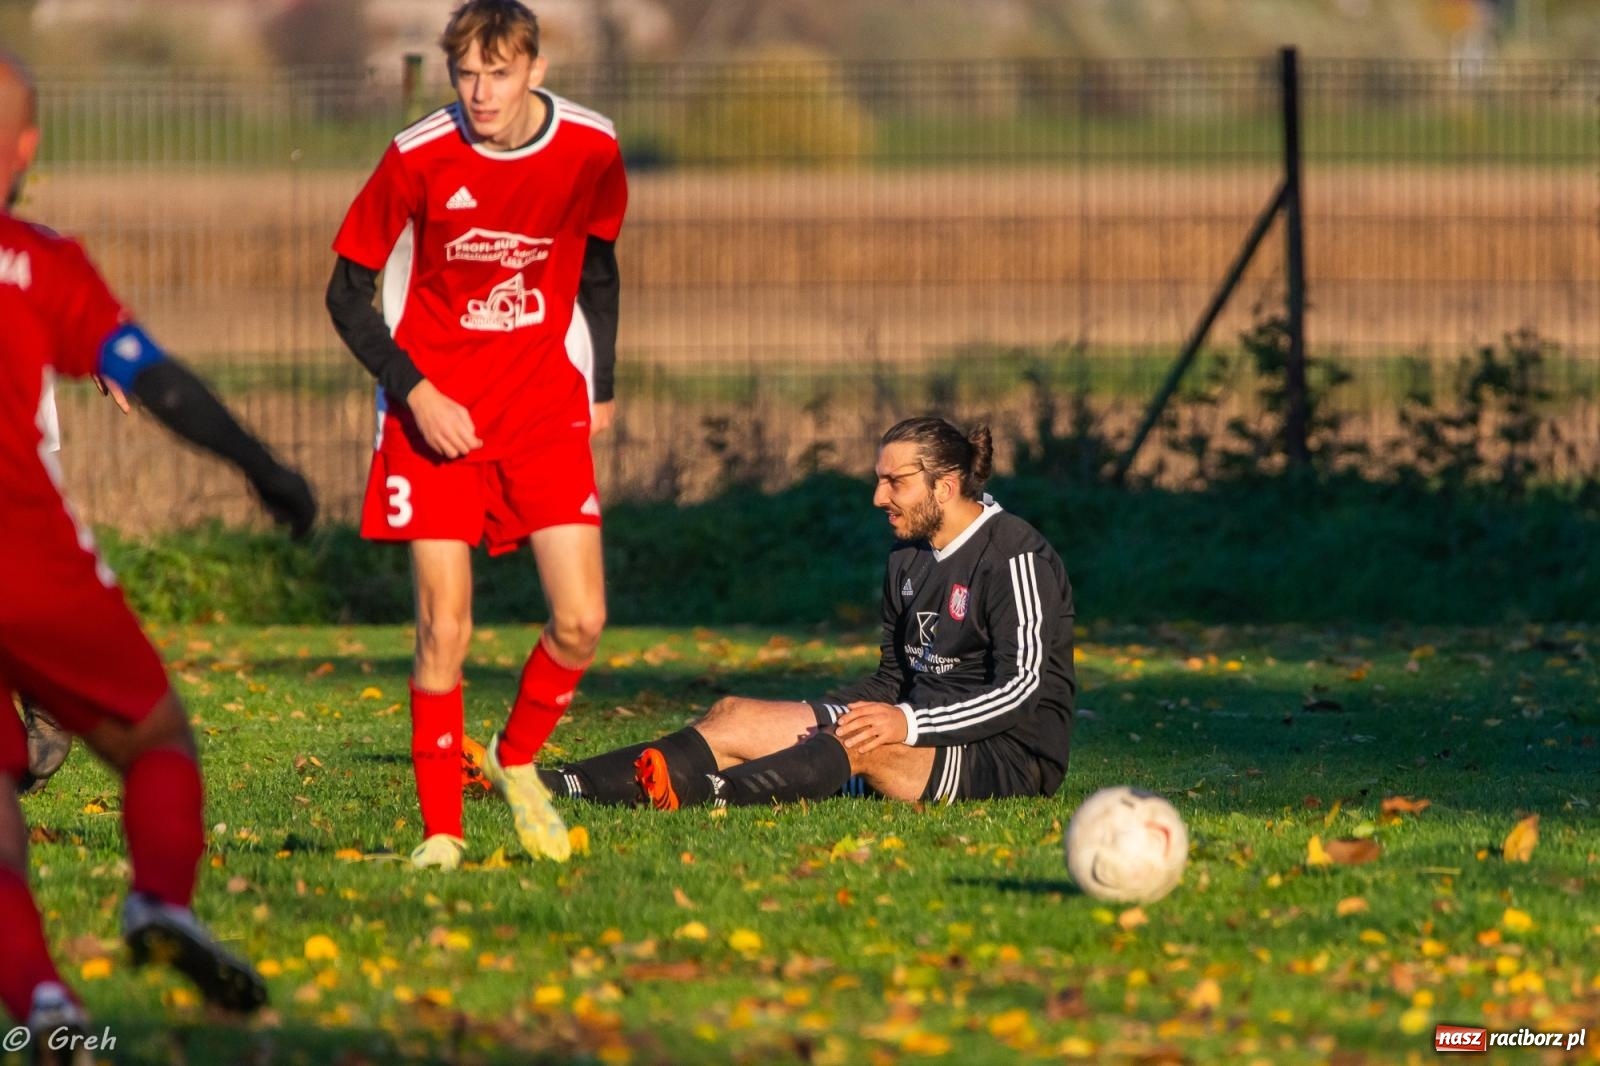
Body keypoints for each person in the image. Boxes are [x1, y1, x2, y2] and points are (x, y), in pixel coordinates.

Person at [0, 50, 316, 1053]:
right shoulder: (40, 260)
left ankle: (43, 1001)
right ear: (26, 149)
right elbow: (158, 379)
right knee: (159, 741)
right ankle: (160, 901)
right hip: (29, 558)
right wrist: (263, 466)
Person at [325, 0, 627, 871]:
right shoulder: (418, 156)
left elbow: (598, 268)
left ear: (534, 68)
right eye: (466, 74)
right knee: (444, 627)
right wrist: (416, 393)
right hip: (435, 418)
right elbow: (345, 293)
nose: (480, 92)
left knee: (582, 619)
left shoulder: (591, 148)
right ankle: (442, 834)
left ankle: (515, 755)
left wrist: (601, 385)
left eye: (498, 74)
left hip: (542, 410)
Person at [538, 417, 1077, 810]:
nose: (878, 497)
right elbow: (894, 676)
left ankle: (711, 794)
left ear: (947, 486)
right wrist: (811, 716)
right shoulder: (907, 556)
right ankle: (560, 782)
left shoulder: (1014, 555)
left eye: (895, 482)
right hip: (911, 724)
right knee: (736, 714)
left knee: (860, 743)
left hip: (1007, 754)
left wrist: (905, 722)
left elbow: (1021, 688)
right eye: (879, 479)